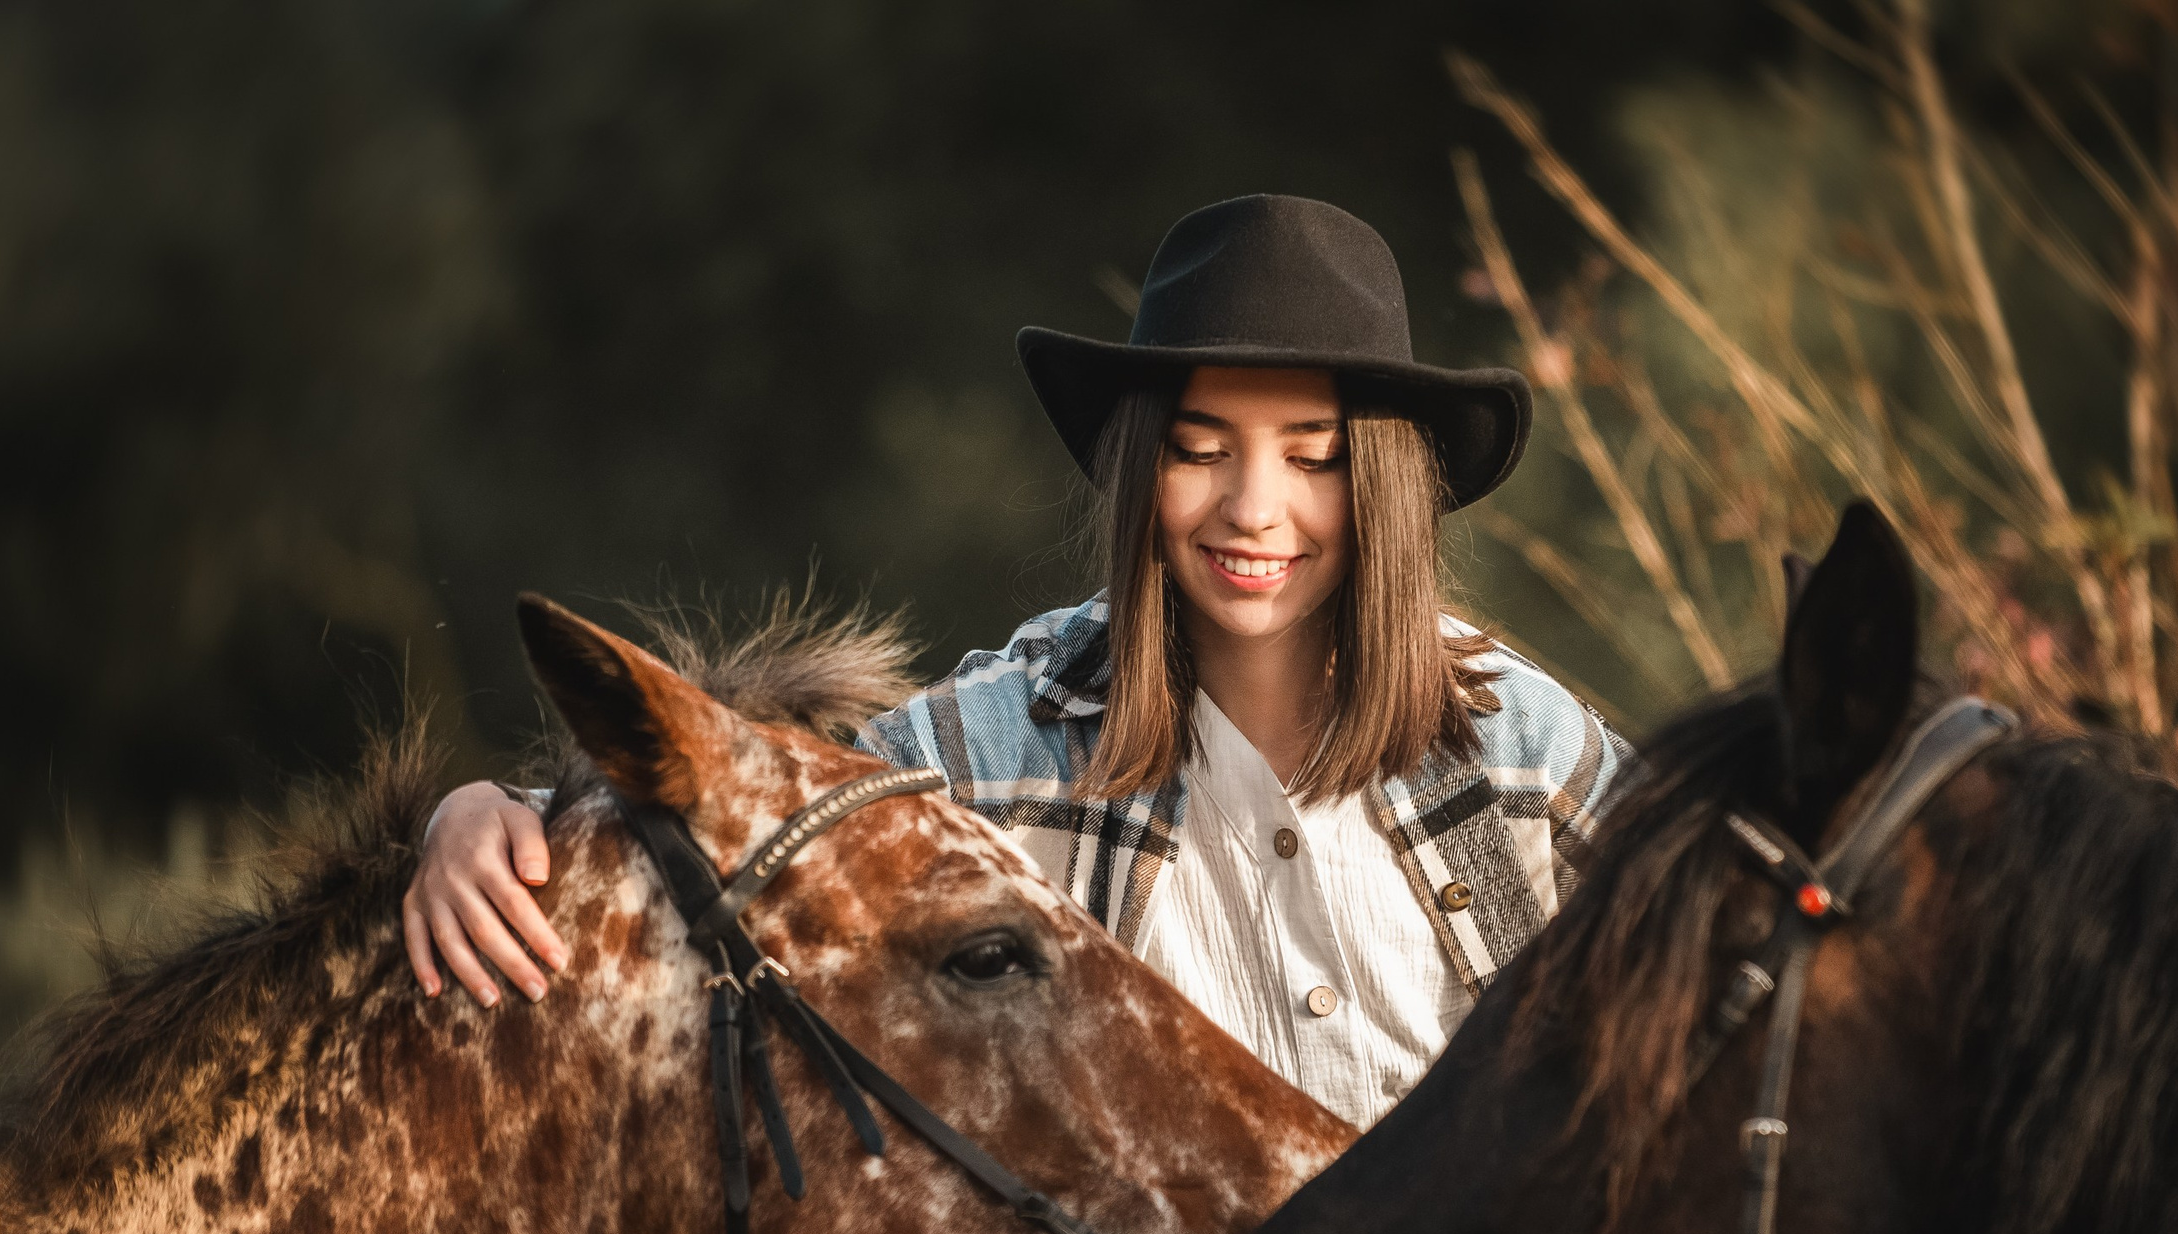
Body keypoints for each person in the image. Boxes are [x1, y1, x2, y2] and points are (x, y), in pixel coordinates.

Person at [403, 194, 1630, 1129]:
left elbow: (1736, 924)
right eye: (1202, 448)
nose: (1254, 508)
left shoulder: (1513, 739)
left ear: (1386, 486)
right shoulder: (1011, 742)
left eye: (1312, 457)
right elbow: (736, 825)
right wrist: (485, 815)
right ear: (1143, 469)